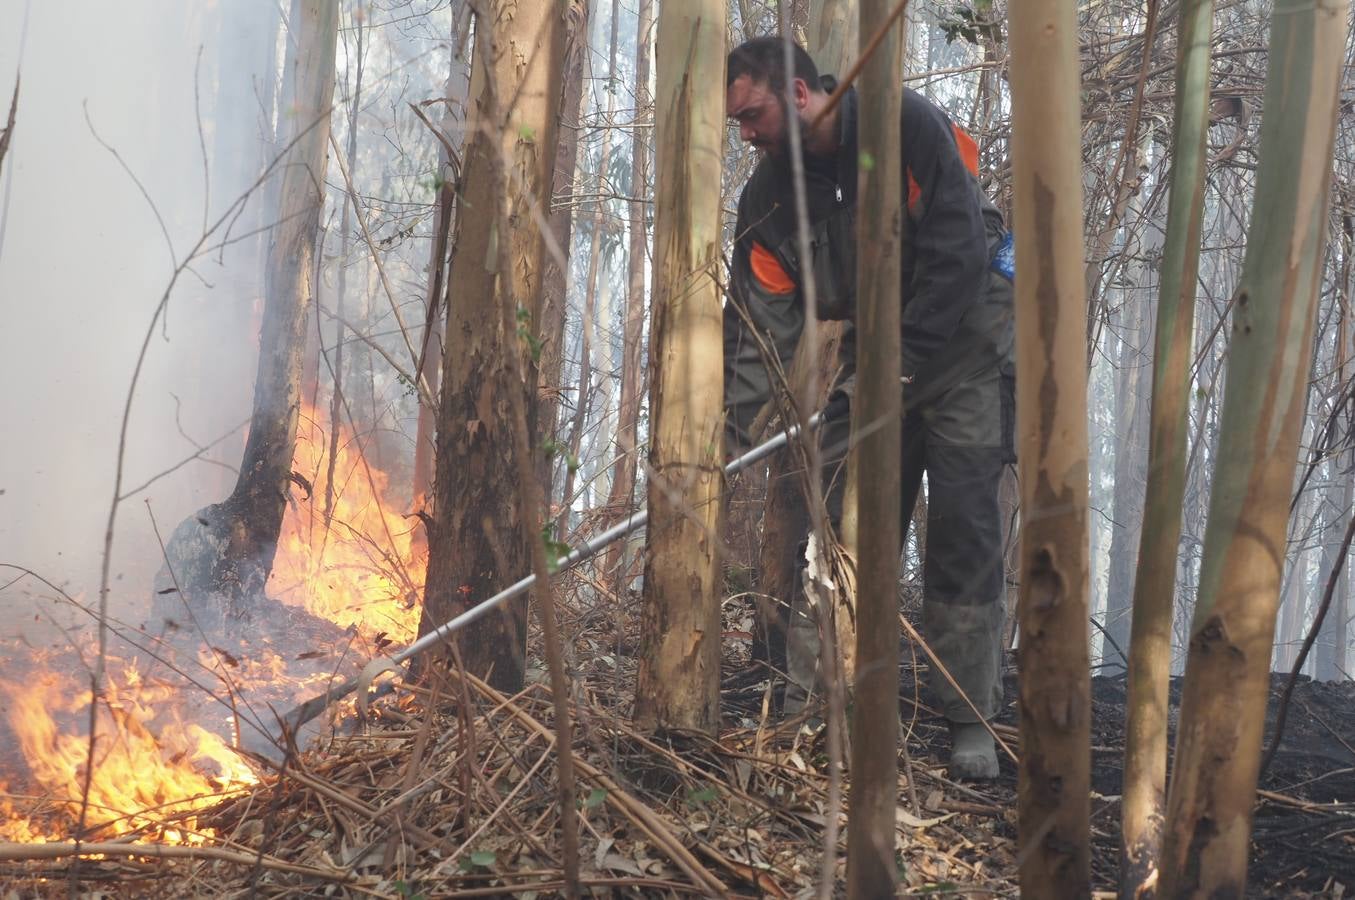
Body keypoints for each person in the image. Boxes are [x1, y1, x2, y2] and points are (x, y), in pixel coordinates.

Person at [722, 37, 1015, 780]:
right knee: (841, 518)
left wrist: (906, 364)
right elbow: (758, 328)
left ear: (795, 93)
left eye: (753, 115)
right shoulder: (767, 201)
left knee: (962, 524)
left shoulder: (902, 125)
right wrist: (726, 435)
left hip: (964, 347)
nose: (747, 134)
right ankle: (817, 702)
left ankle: (969, 716)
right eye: (738, 125)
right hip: (873, 357)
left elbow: (958, 249)